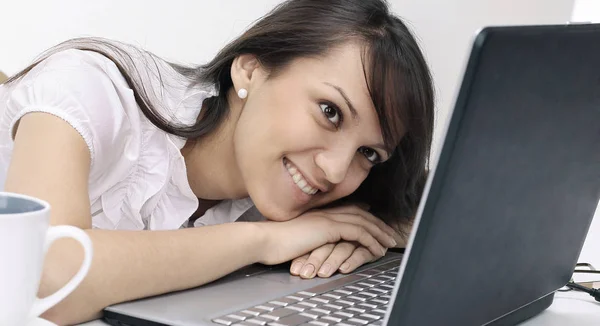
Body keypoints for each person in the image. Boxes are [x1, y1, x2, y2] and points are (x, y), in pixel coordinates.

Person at [0, 0, 433, 324]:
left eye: (369, 154)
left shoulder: (282, 189)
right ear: (249, 70)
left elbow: (429, 212)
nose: (337, 171)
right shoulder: (88, 87)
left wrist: (365, 233)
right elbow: (39, 277)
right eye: (330, 112)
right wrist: (262, 240)